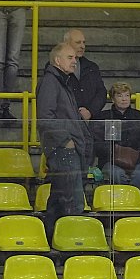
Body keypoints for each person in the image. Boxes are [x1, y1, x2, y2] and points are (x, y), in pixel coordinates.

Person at [38, 42, 95, 235]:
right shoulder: (51, 82)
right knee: (73, 200)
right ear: (57, 60)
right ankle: (72, 240)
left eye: (75, 58)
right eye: (70, 57)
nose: (74, 61)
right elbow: (45, 117)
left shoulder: (62, 82)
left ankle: (51, 239)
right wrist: (66, 141)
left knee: (58, 199)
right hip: (63, 149)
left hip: (69, 148)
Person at [95, 83, 140, 193]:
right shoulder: (103, 117)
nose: (124, 99)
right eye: (120, 96)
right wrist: (113, 152)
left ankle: (134, 199)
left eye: (127, 95)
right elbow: (96, 142)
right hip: (110, 160)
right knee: (116, 174)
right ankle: (123, 200)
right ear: (113, 99)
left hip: (138, 160)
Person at [61, 29, 106, 120]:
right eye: (78, 42)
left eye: (83, 42)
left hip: (90, 123)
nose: (82, 46)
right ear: (66, 44)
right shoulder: (56, 67)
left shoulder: (92, 67)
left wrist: (90, 112)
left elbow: (101, 92)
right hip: (65, 121)